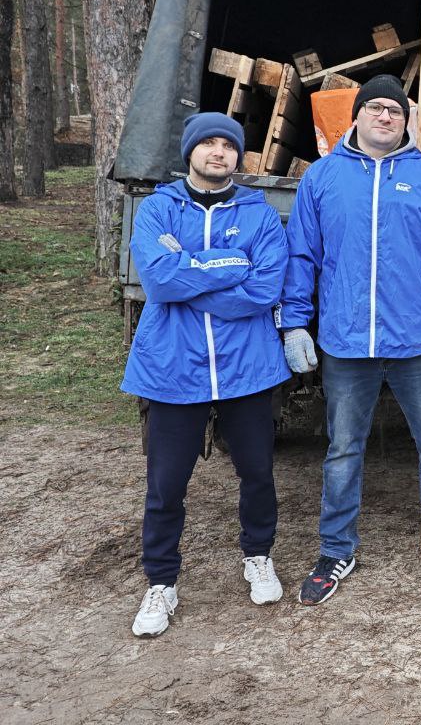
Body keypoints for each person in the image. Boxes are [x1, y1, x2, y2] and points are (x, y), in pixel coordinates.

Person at [281, 74, 421, 603]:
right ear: (357, 115)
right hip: (346, 344)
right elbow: (301, 256)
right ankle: (335, 548)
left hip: (419, 345)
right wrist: (294, 323)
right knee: (343, 449)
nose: (385, 118)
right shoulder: (322, 179)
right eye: (374, 108)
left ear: (405, 120)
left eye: (394, 111)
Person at [122, 112, 290, 637]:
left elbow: (265, 289)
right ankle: (161, 583)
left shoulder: (260, 216)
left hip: (247, 369)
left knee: (258, 474)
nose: (218, 152)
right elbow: (159, 280)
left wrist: (193, 266)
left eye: (228, 145)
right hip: (174, 368)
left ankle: (258, 555)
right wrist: (229, 263)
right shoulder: (157, 211)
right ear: (190, 152)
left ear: (239, 157)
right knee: (166, 486)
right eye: (208, 144)